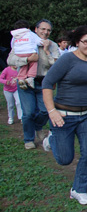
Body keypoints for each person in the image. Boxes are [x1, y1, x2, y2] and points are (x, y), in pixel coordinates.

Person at [41, 25, 87, 205]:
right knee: (65, 160)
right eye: (86, 41)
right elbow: (47, 83)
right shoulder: (67, 60)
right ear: (77, 42)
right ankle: (52, 139)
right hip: (63, 115)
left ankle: (78, 189)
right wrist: (51, 111)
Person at [8, 19, 60, 149]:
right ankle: (29, 139)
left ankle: (38, 126)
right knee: (28, 113)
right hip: (25, 82)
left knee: (45, 111)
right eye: (43, 29)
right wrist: (27, 59)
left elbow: (57, 65)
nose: (45, 32)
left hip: (44, 83)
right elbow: (10, 59)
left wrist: (47, 51)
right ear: (35, 30)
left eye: (48, 30)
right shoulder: (24, 41)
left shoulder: (53, 45)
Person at [10, 20, 45, 89]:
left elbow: (12, 45)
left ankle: (21, 78)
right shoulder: (30, 33)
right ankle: (30, 78)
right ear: (28, 28)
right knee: (34, 62)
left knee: (24, 64)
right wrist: (44, 43)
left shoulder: (15, 35)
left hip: (18, 53)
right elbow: (39, 41)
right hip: (30, 52)